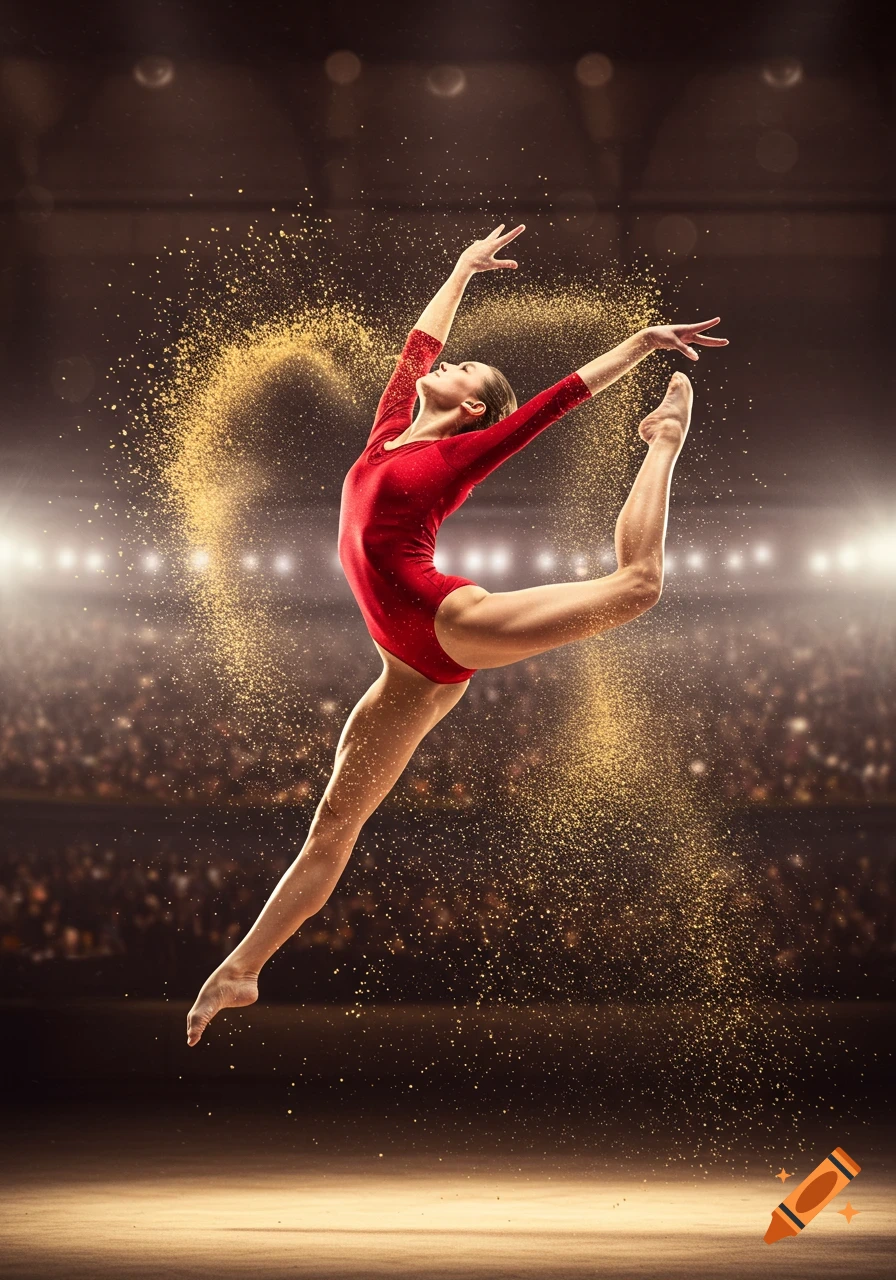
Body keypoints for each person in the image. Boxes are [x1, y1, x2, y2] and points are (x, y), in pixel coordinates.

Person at [186, 223, 728, 1044]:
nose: (447, 363)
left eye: (466, 370)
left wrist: (640, 343)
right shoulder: (385, 435)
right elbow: (419, 342)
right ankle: (242, 970)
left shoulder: (461, 455)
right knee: (334, 827)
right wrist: (461, 268)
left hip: (448, 623)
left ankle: (663, 444)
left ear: (472, 406)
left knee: (638, 588)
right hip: (403, 669)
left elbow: (556, 403)